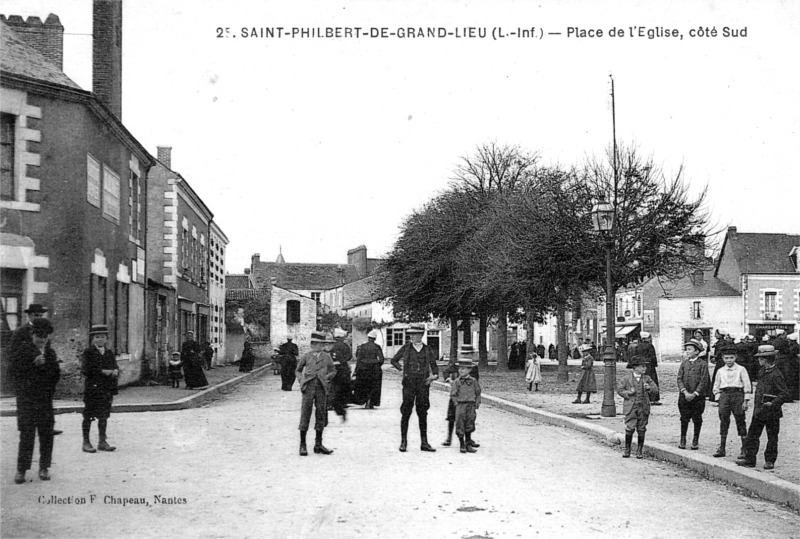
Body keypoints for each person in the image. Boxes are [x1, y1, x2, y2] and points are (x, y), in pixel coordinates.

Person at [11, 318, 60, 484]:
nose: (42, 339)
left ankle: (44, 467)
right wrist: (33, 364)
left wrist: (47, 371)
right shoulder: (23, 351)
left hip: (45, 400)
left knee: (46, 435)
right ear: (32, 335)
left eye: (45, 336)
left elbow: (55, 375)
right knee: (27, 435)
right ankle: (21, 470)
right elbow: (13, 373)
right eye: (39, 335)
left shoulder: (50, 353)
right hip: (27, 401)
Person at [7, 304, 63, 436]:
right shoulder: (21, 331)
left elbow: (47, 351)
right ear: (29, 315)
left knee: (45, 404)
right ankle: (26, 429)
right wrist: (31, 361)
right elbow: (13, 355)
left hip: (42, 377)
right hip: (27, 377)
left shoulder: (45, 329)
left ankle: (47, 427)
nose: (38, 318)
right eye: (35, 315)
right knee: (26, 409)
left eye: (40, 315)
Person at [736, 345, 790, 470]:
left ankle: (770, 460)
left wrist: (773, 403)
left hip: (771, 412)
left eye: (761, 358)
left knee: (772, 437)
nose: (759, 361)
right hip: (759, 410)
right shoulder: (762, 371)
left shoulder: (776, 374)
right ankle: (750, 459)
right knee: (753, 435)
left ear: (766, 359)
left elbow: (784, 394)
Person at [391, 324, 439, 452]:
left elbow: (435, 368)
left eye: (414, 334)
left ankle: (424, 442)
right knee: (406, 411)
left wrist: (433, 377)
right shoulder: (406, 348)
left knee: (422, 412)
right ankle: (403, 442)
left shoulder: (428, 349)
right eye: (410, 334)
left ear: (421, 335)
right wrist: (402, 369)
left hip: (423, 385)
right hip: (409, 384)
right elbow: (394, 360)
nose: (411, 336)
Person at [295, 331, 336, 456]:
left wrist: (327, 377)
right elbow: (298, 370)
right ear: (312, 344)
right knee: (305, 413)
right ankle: (303, 445)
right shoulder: (306, 356)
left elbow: (333, 370)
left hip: (321, 388)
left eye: (323, 344)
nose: (321, 346)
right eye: (319, 344)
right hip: (308, 387)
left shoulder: (327, 357)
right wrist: (302, 381)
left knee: (321, 414)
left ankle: (318, 444)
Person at [81, 325, 119, 453]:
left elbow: (115, 366)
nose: (100, 340)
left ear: (106, 338)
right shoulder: (88, 352)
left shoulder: (109, 353)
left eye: (102, 337)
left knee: (104, 416)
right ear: (92, 339)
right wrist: (104, 372)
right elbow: (86, 370)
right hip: (93, 389)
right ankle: (86, 442)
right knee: (88, 415)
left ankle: (102, 441)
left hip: (106, 389)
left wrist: (116, 371)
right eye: (97, 337)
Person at [712, 343, 752, 459]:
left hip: (737, 395)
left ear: (735, 357)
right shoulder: (720, 371)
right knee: (723, 420)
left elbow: (747, 384)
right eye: (726, 358)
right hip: (725, 395)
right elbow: (716, 385)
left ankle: (744, 448)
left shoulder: (741, 369)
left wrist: (746, 400)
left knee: (740, 420)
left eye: (731, 358)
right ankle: (722, 447)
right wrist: (718, 397)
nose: (729, 360)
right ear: (723, 358)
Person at [617, 355, 659, 459]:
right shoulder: (626, 378)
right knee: (630, 427)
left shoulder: (647, 379)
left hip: (643, 407)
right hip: (631, 407)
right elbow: (619, 390)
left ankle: (639, 450)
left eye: (645, 366)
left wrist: (649, 388)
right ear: (635, 367)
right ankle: (627, 449)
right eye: (642, 366)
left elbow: (656, 389)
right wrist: (628, 393)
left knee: (641, 428)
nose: (645, 368)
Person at [677, 339, 711, 450]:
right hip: (684, 396)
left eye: (689, 349)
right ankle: (683, 438)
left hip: (698, 398)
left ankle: (695, 439)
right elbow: (679, 378)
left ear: (697, 351)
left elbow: (704, 380)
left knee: (697, 418)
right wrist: (684, 391)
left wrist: (695, 393)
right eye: (686, 349)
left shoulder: (703, 364)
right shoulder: (684, 363)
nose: (687, 352)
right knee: (684, 418)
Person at [450, 358, 482, 454]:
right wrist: (456, 403)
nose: (461, 371)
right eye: (460, 369)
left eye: (464, 369)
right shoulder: (457, 382)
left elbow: (478, 392)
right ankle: (461, 444)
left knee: (470, 422)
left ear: (469, 370)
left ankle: (468, 443)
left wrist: (477, 402)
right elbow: (453, 394)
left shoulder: (473, 381)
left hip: (470, 405)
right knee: (460, 423)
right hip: (460, 405)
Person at [352, 329, 385, 408]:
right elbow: (381, 359)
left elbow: (359, 359)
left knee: (364, 385)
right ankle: (371, 401)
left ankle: (365, 400)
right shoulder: (377, 347)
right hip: (374, 369)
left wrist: (356, 370)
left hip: (363, 369)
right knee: (374, 386)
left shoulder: (362, 346)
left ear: (368, 337)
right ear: (375, 339)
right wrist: (376, 365)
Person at [329, 328, 352, 421]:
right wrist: (344, 360)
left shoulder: (332, 345)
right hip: (343, 368)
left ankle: (331, 403)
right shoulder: (345, 346)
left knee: (333, 386)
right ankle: (343, 403)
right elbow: (349, 356)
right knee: (344, 386)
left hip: (333, 368)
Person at [637, 332, 660, 405]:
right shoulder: (650, 346)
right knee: (652, 381)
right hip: (649, 366)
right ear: (647, 338)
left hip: (641, 365)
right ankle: (653, 399)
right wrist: (655, 364)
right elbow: (653, 357)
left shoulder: (638, 346)